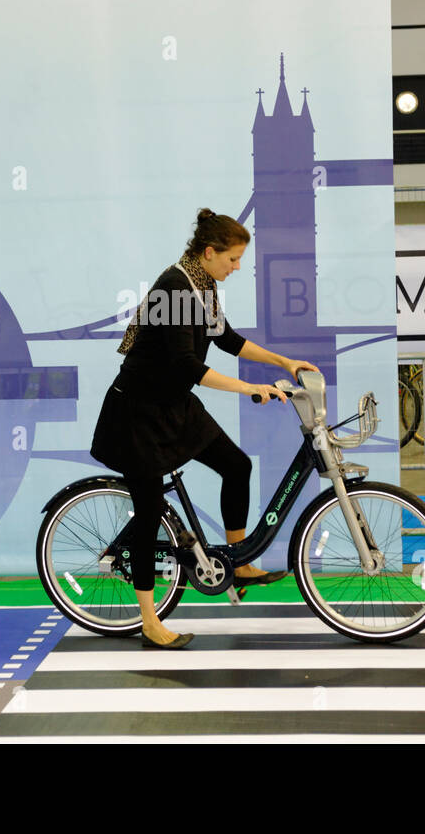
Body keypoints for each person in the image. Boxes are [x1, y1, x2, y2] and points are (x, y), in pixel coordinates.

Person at [90, 209, 318, 648]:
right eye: (233, 259)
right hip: (137, 412)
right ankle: (150, 621)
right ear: (209, 252)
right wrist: (248, 387)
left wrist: (283, 361)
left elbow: (227, 339)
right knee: (149, 511)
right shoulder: (174, 287)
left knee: (235, 466)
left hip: (173, 404)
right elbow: (187, 365)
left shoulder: (203, 282)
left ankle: (239, 561)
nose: (237, 267)